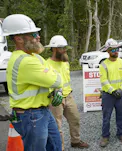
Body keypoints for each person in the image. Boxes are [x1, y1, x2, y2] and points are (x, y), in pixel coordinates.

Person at [3, 14, 63, 150]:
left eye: (38, 33)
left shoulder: (34, 56)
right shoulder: (25, 61)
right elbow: (56, 80)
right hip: (31, 116)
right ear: (18, 38)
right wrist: (54, 81)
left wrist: (53, 81)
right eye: (34, 34)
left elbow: (53, 75)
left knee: (55, 146)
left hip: (42, 112)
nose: (38, 36)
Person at [45, 35, 89, 150]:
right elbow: (45, 83)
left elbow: (66, 80)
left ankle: (76, 141)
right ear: (54, 49)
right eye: (62, 48)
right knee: (57, 126)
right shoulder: (46, 64)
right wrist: (52, 93)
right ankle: (60, 148)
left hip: (68, 96)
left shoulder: (65, 62)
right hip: (55, 99)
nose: (64, 50)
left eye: (65, 47)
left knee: (75, 119)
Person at [99, 38, 122, 147]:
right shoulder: (103, 65)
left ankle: (121, 134)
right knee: (106, 117)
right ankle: (105, 136)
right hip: (108, 95)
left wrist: (121, 89)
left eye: (117, 49)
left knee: (121, 115)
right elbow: (104, 81)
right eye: (113, 50)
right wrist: (112, 91)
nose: (116, 51)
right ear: (108, 51)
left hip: (120, 94)